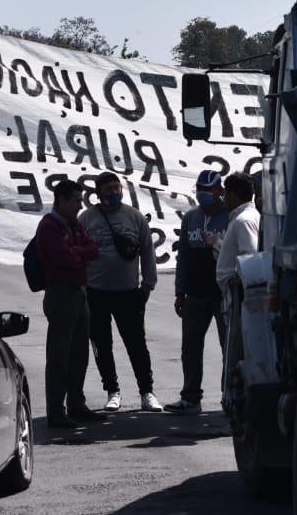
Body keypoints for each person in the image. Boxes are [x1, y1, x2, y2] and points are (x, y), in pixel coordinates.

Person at [78, 171, 161, 412]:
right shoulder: (87, 219)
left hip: (128, 294)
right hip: (96, 294)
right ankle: (112, 391)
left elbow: (147, 252)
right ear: (98, 193)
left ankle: (147, 392)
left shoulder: (134, 217)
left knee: (137, 344)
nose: (113, 192)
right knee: (102, 345)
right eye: (108, 189)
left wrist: (147, 286)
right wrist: (82, 286)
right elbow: (79, 254)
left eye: (117, 188)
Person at [35, 178, 102, 429]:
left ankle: (76, 404)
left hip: (79, 293)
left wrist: (77, 250)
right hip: (61, 294)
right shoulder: (50, 226)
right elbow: (64, 258)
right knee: (59, 356)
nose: (80, 205)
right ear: (61, 200)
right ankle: (56, 410)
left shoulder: (73, 224)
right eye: (75, 200)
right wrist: (78, 251)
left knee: (79, 354)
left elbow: (93, 250)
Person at [164, 170, 230, 415]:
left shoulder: (231, 217)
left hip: (223, 293)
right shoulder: (191, 217)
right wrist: (180, 291)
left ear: (219, 190)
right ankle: (191, 397)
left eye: (208, 189)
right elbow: (183, 257)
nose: (203, 194)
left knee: (228, 347)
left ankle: (229, 397)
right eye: (199, 189)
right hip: (196, 294)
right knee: (191, 347)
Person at [214, 172, 261, 294]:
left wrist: (236, 286)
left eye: (226, 194)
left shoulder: (243, 220)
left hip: (237, 294)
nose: (224, 199)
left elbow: (250, 256)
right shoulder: (244, 216)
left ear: (233, 195)